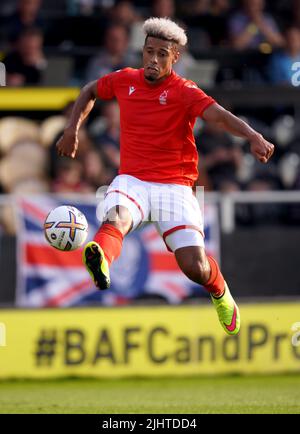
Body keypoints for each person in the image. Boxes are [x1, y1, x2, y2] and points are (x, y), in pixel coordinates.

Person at [56, 17, 274, 336]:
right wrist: (72, 129)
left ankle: (220, 291)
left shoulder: (185, 91)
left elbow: (219, 117)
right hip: (133, 180)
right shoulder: (125, 80)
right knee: (116, 218)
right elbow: (90, 90)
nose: (153, 60)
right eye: (148, 52)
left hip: (175, 187)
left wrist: (253, 136)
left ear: (175, 58)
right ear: (142, 52)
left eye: (161, 54)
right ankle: (101, 258)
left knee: (194, 268)